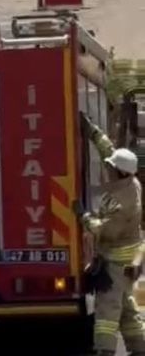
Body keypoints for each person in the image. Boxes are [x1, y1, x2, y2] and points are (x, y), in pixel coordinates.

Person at [80, 113, 145, 356]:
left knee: (107, 311)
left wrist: (83, 217)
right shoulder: (131, 182)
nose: (107, 167)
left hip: (116, 263)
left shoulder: (123, 202)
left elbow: (104, 230)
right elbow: (110, 151)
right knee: (127, 308)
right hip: (127, 261)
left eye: (110, 167)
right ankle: (139, 349)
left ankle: (104, 351)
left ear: (120, 172)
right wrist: (94, 132)